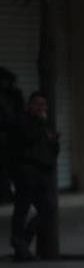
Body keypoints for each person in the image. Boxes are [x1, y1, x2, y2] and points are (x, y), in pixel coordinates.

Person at [10, 92, 59, 262]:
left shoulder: (45, 124)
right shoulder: (23, 121)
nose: (41, 108)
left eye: (43, 105)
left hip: (41, 173)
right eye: (37, 104)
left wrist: (53, 141)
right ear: (29, 105)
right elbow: (26, 138)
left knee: (48, 208)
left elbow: (52, 149)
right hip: (26, 171)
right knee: (22, 209)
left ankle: (22, 240)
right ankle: (19, 243)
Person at [0, 67, 24, 204]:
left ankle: (8, 193)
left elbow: (17, 115)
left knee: (11, 167)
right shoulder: (13, 95)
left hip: (11, 136)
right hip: (9, 136)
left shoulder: (14, 95)